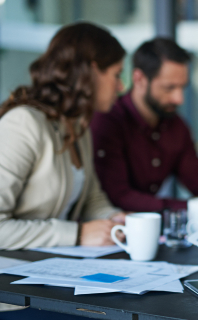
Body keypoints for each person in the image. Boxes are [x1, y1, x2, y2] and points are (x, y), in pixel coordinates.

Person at [0, 22, 127, 251]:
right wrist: (77, 234)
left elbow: (91, 197)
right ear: (92, 71)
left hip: (47, 266)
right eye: (116, 75)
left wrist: (114, 219)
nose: (120, 86)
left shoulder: (78, 126)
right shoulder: (23, 124)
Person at [91, 38, 198, 213]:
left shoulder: (176, 126)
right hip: (109, 232)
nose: (179, 98)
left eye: (182, 88)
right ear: (139, 79)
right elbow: (118, 197)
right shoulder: (108, 121)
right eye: (169, 88)